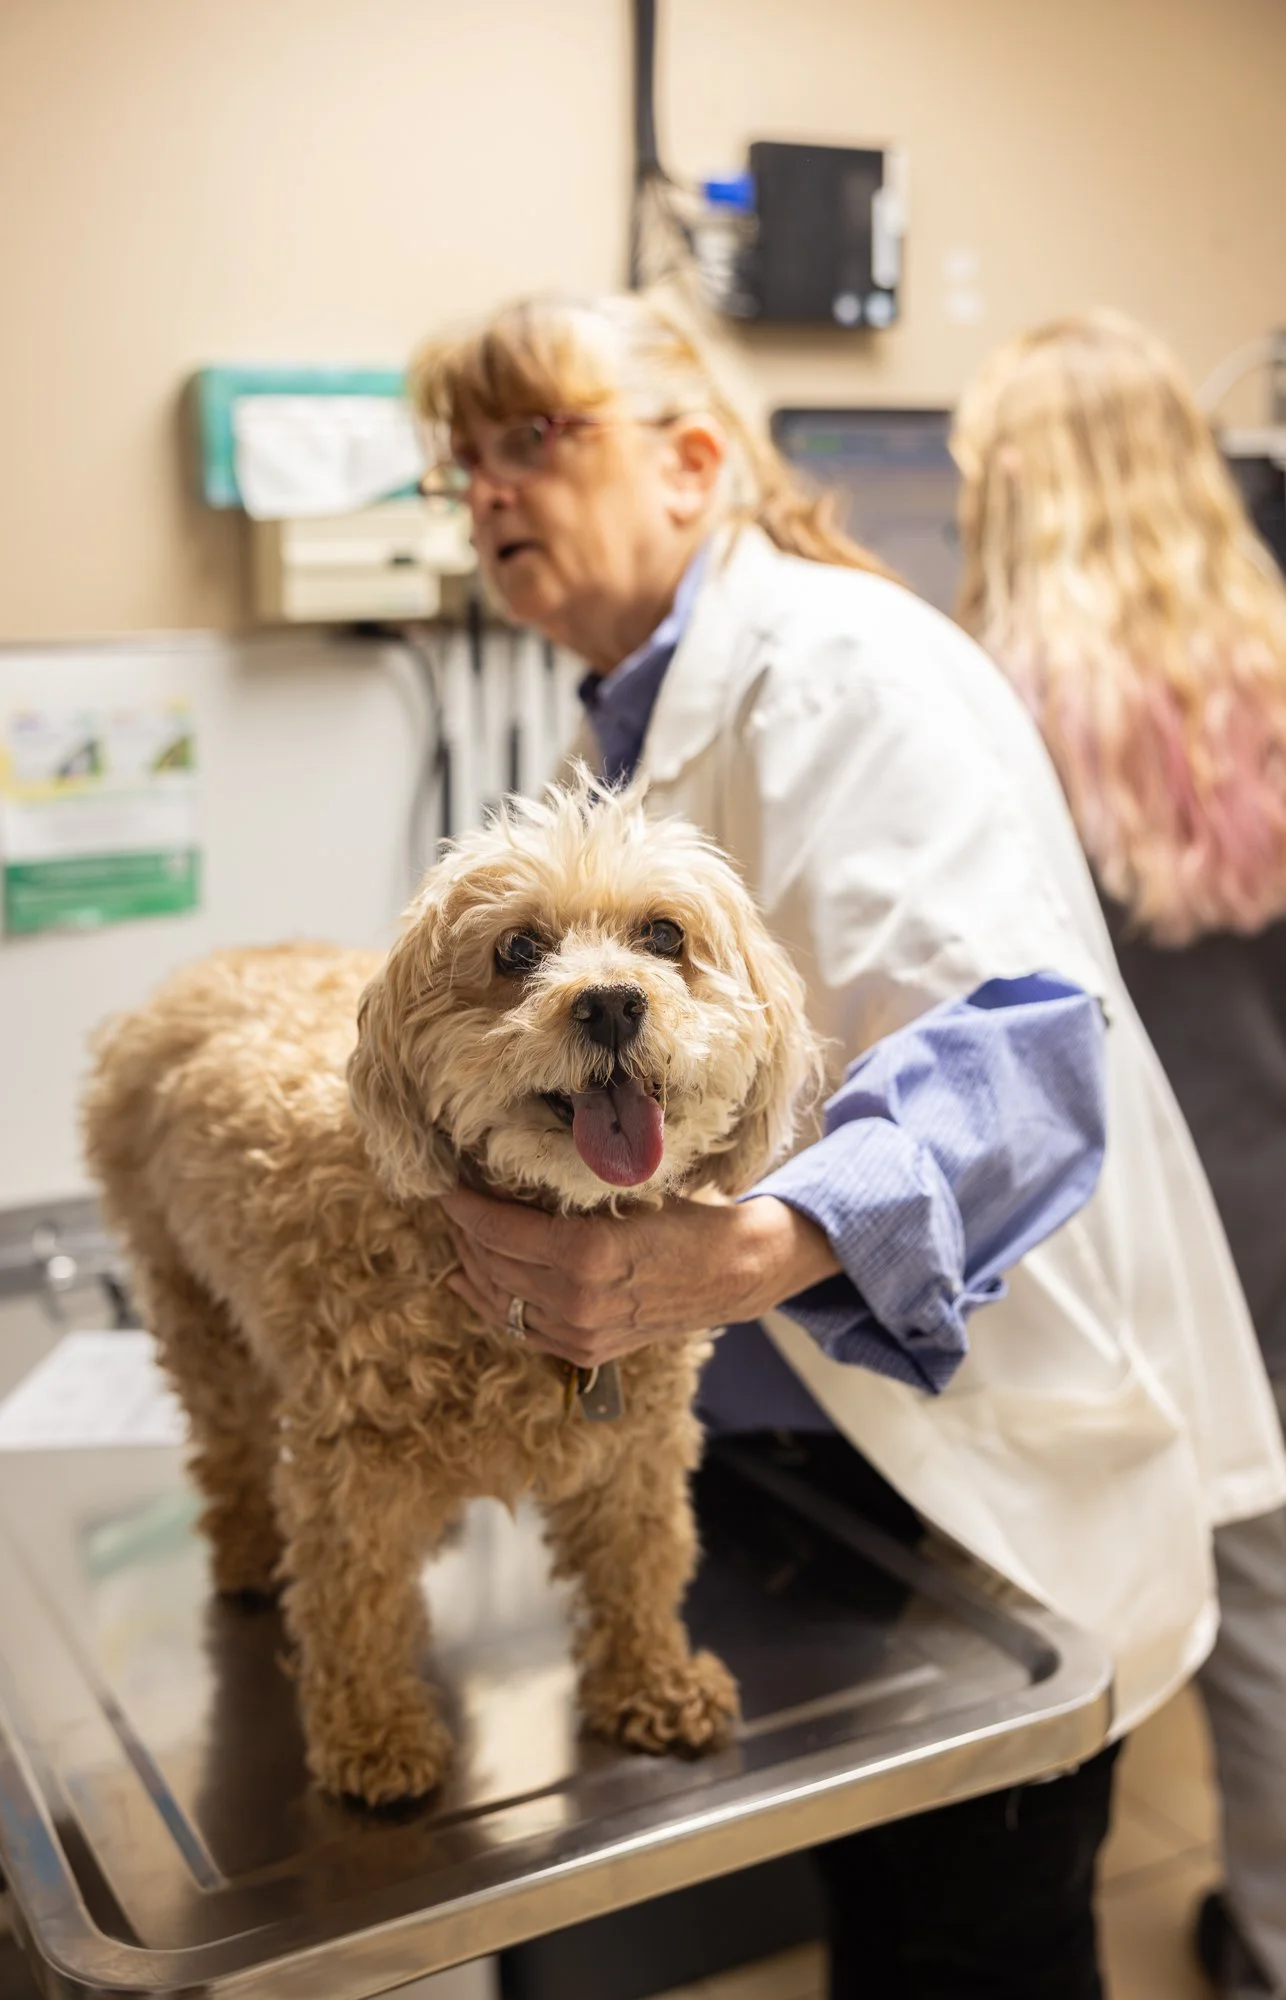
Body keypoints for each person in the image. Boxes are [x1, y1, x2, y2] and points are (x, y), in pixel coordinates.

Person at [408, 292, 1286, 2000]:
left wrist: (715, 1262)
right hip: (823, 1457)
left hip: (982, 1461)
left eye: (537, 437)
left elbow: (1015, 1057)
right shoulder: (633, 712)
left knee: (972, 1947)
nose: (490, 490)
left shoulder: (831, 669)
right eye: (463, 462)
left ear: (689, 460)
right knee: (892, 1926)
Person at [953, 308, 1286, 2000]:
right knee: (1275, 1607)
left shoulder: (987, 717)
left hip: (1131, 1241)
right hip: (1276, 1196)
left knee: (1075, 1604)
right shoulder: (1271, 658)